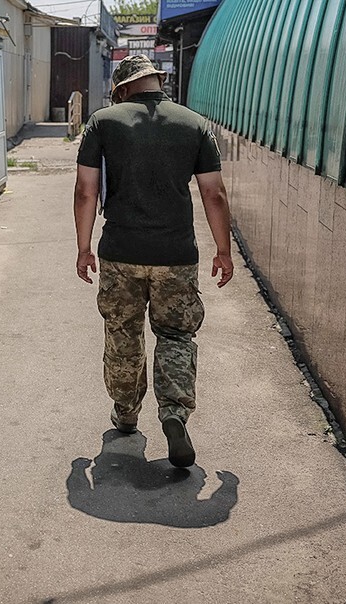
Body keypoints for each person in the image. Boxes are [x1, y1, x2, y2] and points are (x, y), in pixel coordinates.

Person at [73, 55, 233, 468]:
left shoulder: (102, 122)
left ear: (124, 89)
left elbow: (86, 191)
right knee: (176, 335)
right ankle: (174, 414)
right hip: (175, 255)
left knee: (123, 332)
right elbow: (214, 193)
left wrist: (83, 247)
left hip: (120, 253)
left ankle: (126, 412)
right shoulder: (195, 124)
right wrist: (223, 250)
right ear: (157, 81)